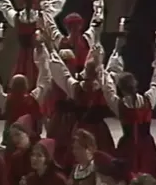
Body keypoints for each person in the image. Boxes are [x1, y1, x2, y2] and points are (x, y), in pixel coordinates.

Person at [44, 18, 123, 166]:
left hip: (81, 128)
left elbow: (61, 72)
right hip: (99, 130)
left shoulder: (77, 87)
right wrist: (117, 49)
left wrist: (50, 47)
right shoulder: (104, 85)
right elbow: (113, 69)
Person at [96, 44, 156, 179]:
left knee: (126, 177)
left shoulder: (120, 105)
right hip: (146, 147)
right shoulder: (148, 100)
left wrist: (104, 67)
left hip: (127, 148)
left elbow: (107, 88)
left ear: (121, 88)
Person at [0, 40, 51, 151]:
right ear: (26, 87)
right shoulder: (34, 98)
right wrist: (42, 54)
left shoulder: (6, 100)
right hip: (30, 140)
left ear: (11, 86)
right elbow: (44, 80)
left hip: (12, 142)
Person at [3, 114, 39, 185]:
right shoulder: (16, 156)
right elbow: (10, 179)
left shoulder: (40, 153)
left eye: (18, 135)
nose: (15, 139)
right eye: (12, 136)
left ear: (27, 134)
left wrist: (30, 180)